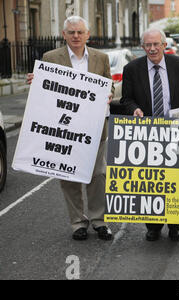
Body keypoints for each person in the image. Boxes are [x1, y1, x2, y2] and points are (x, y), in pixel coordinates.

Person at [26, 16, 114, 241]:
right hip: (63, 129)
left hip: (94, 129)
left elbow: (108, 84)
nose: (76, 36)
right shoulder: (50, 57)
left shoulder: (101, 58)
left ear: (88, 34)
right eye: (71, 32)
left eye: (80, 32)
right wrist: (37, 82)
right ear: (64, 35)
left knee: (98, 176)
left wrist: (110, 92)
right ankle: (78, 223)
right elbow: (45, 90)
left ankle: (99, 221)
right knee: (68, 177)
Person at [120, 28, 179, 242]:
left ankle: (174, 226)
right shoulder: (132, 68)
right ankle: (153, 226)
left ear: (164, 45)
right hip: (147, 133)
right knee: (150, 180)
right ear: (143, 47)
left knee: (174, 180)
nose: (152, 49)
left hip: (174, 130)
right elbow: (126, 99)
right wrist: (134, 108)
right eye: (148, 45)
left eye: (156, 44)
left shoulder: (178, 65)